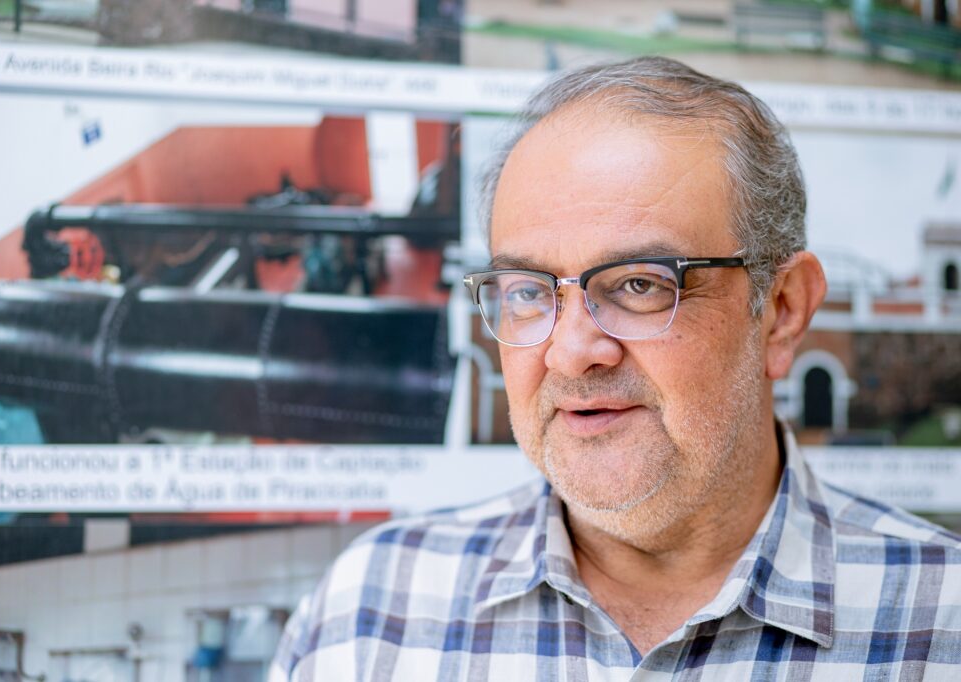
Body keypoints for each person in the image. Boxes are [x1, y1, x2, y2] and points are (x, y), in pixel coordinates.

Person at [270, 57, 961, 680]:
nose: (572, 351)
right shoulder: (366, 618)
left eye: (640, 284)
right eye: (529, 291)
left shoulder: (940, 626)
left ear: (779, 309)